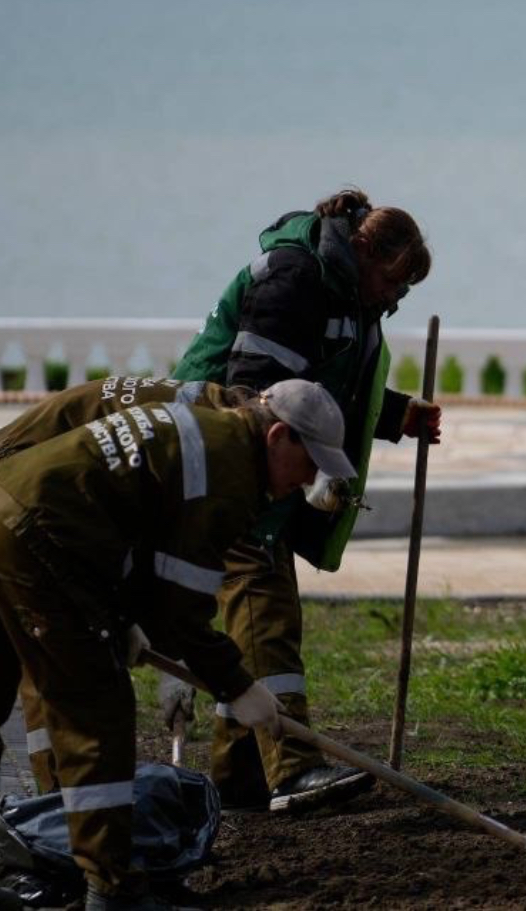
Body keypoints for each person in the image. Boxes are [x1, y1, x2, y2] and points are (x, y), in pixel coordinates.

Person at [0, 381, 352, 911]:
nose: (309, 479)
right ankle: (114, 890)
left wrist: (124, 617)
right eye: (310, 461)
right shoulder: (230, 475)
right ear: (277, 436)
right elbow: (181, 612)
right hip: (41, 531)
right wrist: (237, 685)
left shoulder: (206, 430)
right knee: (96, 715)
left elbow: (139, 539)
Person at [170, 188, 441, 813]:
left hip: (254, 455)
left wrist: (395, 413)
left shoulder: (348, 288)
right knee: (263, 607)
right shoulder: (296, 280)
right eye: (393, 282)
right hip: (218, 455)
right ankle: (291, 769)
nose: (395, 298)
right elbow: (257, 396)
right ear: (365, 250)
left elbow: (326, 383)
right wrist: (295, 476)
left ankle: (239, 776)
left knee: (254, 619)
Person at [0, 375, 247, 795]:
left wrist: (166, 647)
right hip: (28, 474)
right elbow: (165, 554)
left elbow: (156, 553)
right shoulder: (206, 442)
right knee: (51, 644)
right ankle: (56, 795)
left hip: (61, 487)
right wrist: (176, 654)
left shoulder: (210, 421)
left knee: (72, 639)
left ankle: (66, 794)